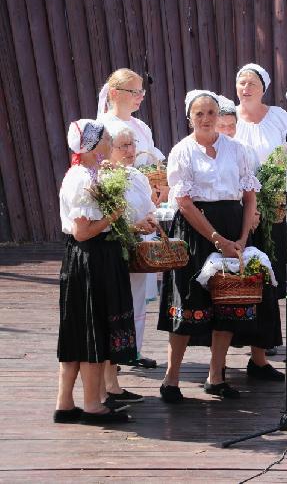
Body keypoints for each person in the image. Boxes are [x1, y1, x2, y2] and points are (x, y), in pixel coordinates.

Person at [157, 90, 260, 403]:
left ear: (220, 116)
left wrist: (242, 238)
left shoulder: (237, 149)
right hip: (196, 229)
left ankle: (216, 376)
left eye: (211, 113)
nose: (205, 119)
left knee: (228, 300)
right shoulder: (182, 151)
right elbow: (185, 203)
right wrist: (217, 239)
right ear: (189, 117)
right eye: (199, 113)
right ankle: (171, 378)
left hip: (232, 223)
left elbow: (249, 195)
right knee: (189, 301)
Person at [232, 63, 287, 379]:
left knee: (271, 270)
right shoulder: (227, 117)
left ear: (263, 87)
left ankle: (264, 342)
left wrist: (278, 178)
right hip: (238, 205)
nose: (245, 88)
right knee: (241, 273)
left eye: (251, 82)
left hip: (275, 202)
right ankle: (237, 333)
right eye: (240, 82)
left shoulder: (278, 116)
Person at [56, 119, 135, 424]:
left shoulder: (88, 172)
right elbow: (82, 232)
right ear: (91, 145)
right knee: (92, 330)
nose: (110, 142)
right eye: (105, 139)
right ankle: (92, 406)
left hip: (90, 258)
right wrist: (114, 217)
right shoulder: (81, 178)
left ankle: (65, 404)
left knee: (77, 331)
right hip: (90, 258)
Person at [98, 68, 167, 369]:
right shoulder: (102, 125)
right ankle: (111, 352)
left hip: (142, 200)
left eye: (141, 91)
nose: (140, 97)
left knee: (140, 279)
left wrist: (159, 185)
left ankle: (134, 348)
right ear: (114, 94)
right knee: (117, 282)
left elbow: (153, 161)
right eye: (134, 91)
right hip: (118, 202)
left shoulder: (141, 126)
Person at [99, 124, 158, 408]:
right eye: (123, 146)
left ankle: (113, 382)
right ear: (108, 149)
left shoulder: (137, 176)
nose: (130, 151)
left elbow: (149, 208)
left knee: (133, 310)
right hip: (113, 255)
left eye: (132, 144)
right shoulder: (103, 178)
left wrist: (150, 220)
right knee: (114, 314)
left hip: (139, 254)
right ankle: (107, 385)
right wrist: (134, 227)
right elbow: (105, 222)